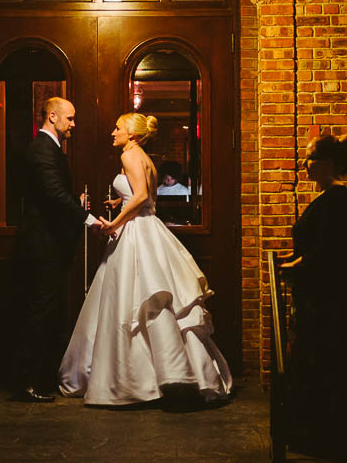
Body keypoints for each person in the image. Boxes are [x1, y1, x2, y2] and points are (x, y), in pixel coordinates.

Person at [58, 112, 233, 406]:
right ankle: (177, 372)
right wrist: (118, 201)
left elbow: (139, 197)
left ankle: (133, 379)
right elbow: (148, 197)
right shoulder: (144, 157)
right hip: (150, 225)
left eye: (118, 128)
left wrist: (115, 223)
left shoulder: (129, 156)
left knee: (134, 296)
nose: (112, 132)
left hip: (138, 230)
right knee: (153, 296)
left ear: (133, 135)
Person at [14, 96, 96, 402]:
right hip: (42, 244)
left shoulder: (49, 148)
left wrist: (75, 206)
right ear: (52, 117)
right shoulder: (42, 150)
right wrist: (86, 217)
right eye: (70, 118)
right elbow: (52, 193)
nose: (73, 124)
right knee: (39, 311)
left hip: (48, 242)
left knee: (45, 310)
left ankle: (38, 377)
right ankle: (27, 382)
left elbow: (55, 194)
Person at [279, 133, 347, 434]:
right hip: (316, 295)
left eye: (309, 158)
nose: (304, 164)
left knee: (320, 361)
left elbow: (328, 249)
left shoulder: (336, 199)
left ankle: (319, 429)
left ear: (326, 163)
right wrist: (293, 256)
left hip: (322, 298)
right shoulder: (328, 198)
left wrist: (295, 265)